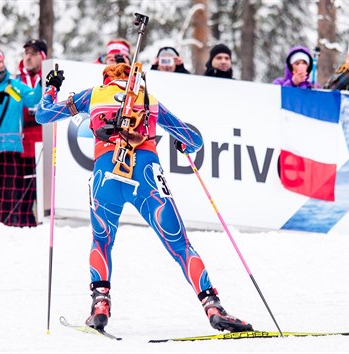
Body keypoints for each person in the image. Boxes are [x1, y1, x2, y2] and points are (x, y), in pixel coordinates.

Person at [35, 63, 253, 333]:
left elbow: (43, 115)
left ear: (107, 78)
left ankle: (100, 304)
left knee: (102, 240)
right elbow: (193, 139)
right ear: (133, 78)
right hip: (146, 175)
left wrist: (52, 88)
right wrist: (182, 142)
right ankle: (213, 306)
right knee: (181, 245)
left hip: (106, 176)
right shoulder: (148, 99)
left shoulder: (93, 94)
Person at [0, 47, 42, 226]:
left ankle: (8, 226)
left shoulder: (14, 85)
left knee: (9, 192)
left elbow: (33, 99)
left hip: (11, 149)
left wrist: (45, 84)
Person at [16, 39, 48, 227]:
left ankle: (45, 221)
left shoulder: (51, 78)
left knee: (44, 189)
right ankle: (24, 224)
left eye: (33, 53)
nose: (28, 57)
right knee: (24, 188)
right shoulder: (17, 80)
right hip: (24, 143)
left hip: (45, 141)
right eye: (26, 53)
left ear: (42, 57)